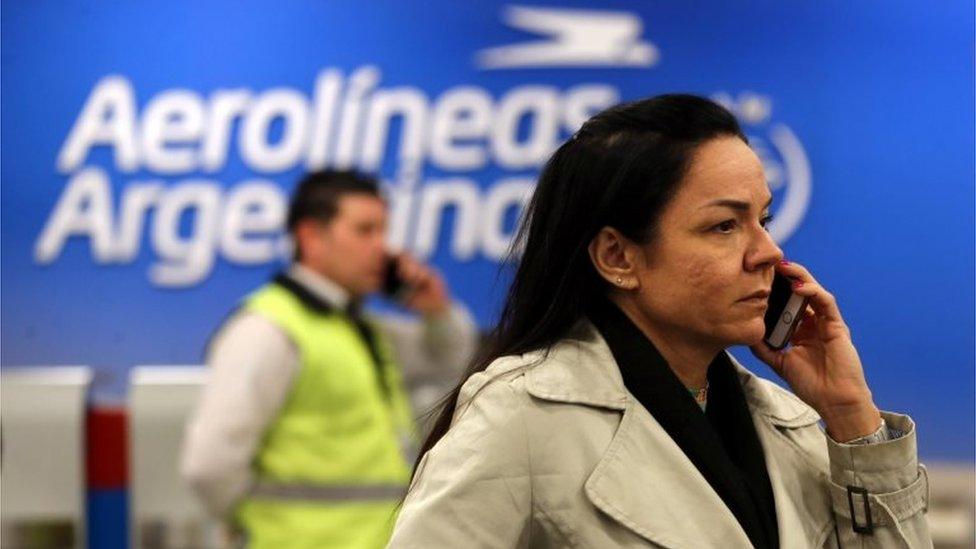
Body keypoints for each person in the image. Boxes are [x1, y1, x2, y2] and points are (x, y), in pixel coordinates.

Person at [387, 95, 931, 548]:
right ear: (619, 258)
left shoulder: (786, 421)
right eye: (724, 226)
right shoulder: (522, 415)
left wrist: (851, 417)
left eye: (761, 219)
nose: (768, 252)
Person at [181, 170, 478, 548]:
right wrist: (256, 526)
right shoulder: (268, 331)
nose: (382, 249)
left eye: (383, 232)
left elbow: (447, 356)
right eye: (364, 231)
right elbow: (209, 466)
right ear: (311, 237)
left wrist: (435, 309)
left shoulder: (359, 327)